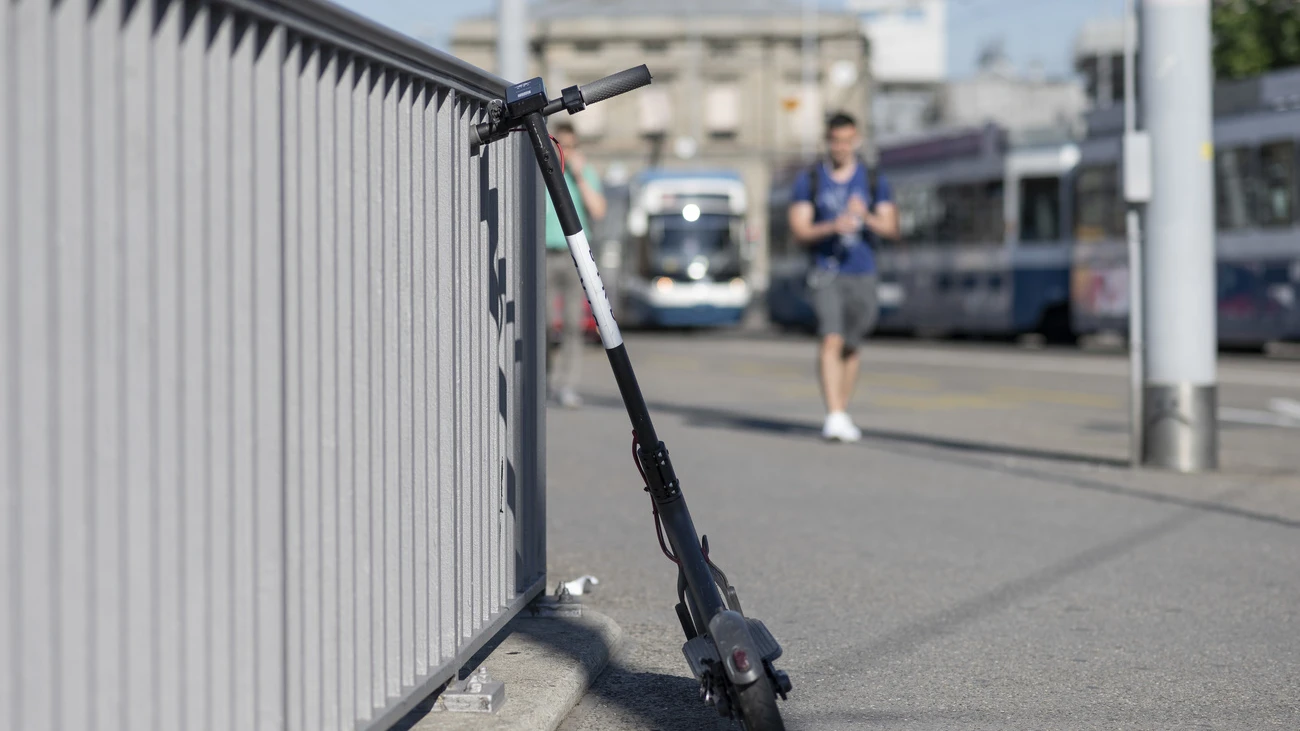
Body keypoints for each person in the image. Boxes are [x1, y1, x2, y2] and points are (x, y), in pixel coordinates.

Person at [787, 112, 900, 442]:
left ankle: (841, 411)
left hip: (863, 272)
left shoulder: (874, 179)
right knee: (831, 338)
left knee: (852, 345)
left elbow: (892, 228)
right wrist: (832, 226)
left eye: (847, 141)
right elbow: (800, 229)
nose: (841, 147)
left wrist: (864, 215)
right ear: (828, 141)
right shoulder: (809, 180)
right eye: (835, 141)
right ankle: (834, 414)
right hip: (827, 271)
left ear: (857, 141)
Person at [544, 121, 607, 408]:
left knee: (572, 324)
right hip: (544, 254)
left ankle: (567, 384)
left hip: (575, 256)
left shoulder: (585, 174)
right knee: (543, 323)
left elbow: (598, 210)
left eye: (570, 146)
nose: (565, 152)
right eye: (561, 145)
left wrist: (580, 177)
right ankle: (544, 380)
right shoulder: (542, 172)